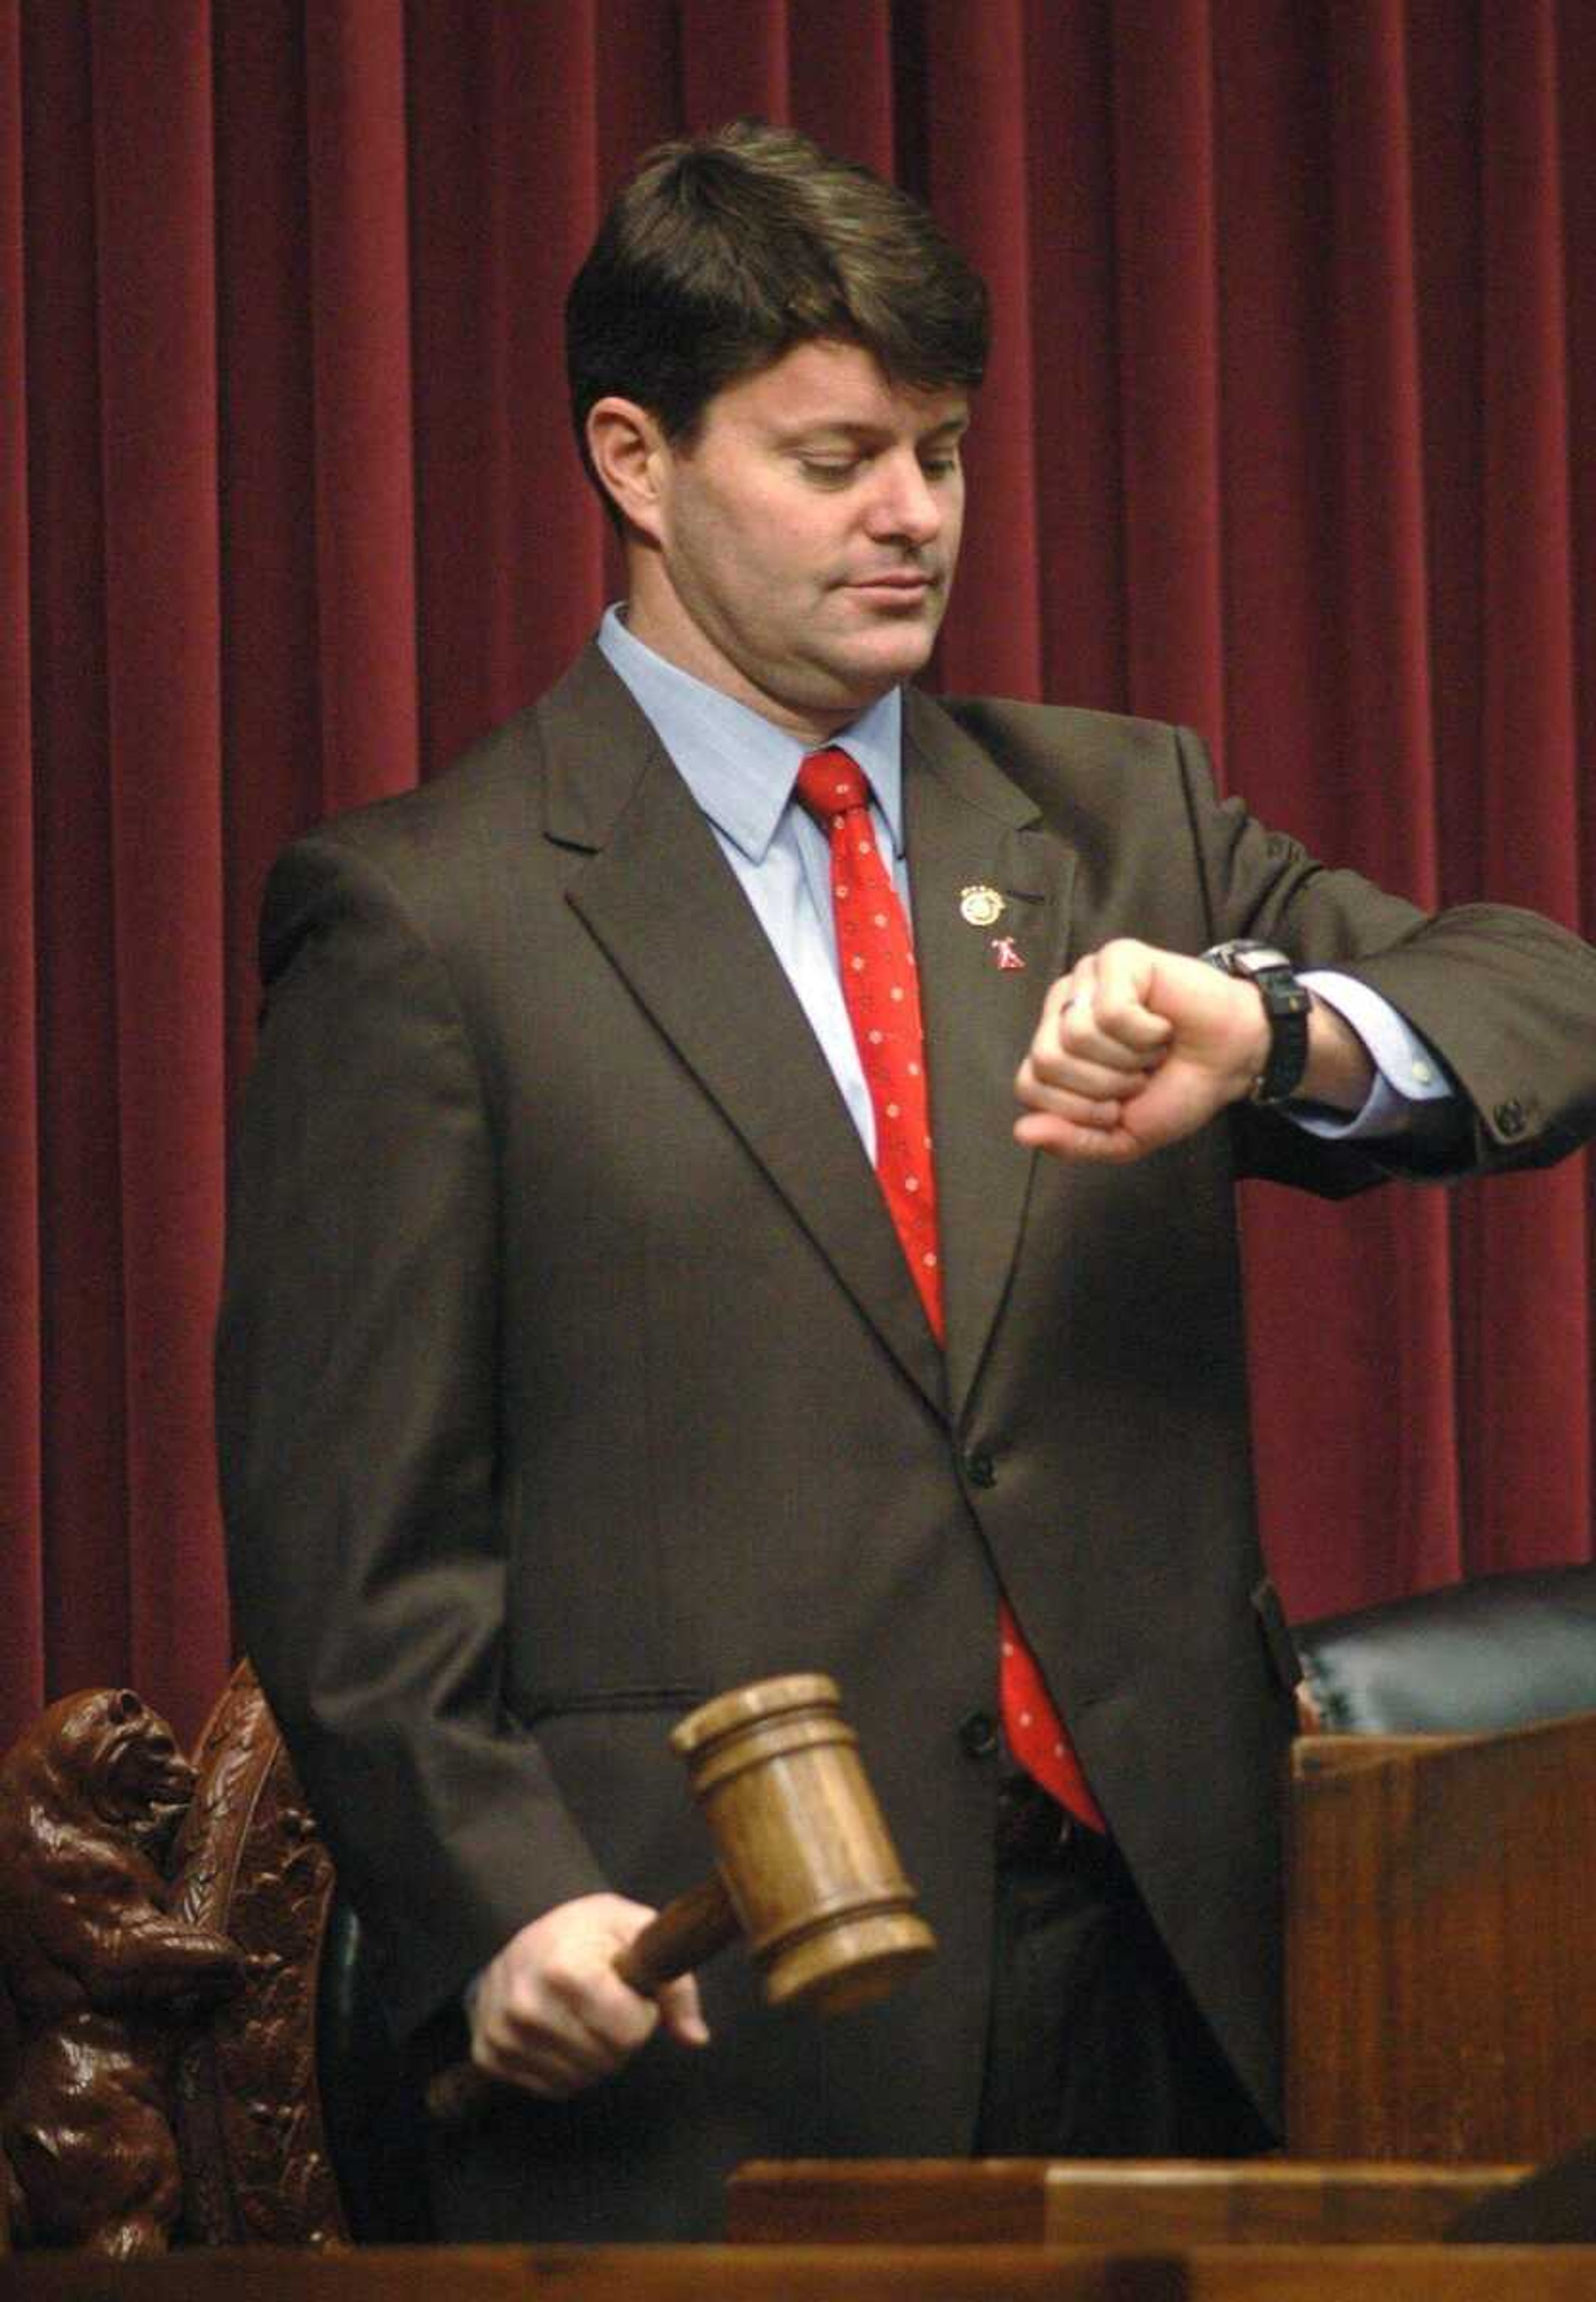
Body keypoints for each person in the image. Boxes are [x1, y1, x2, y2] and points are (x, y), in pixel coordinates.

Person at [216, 120, 1596, 2243]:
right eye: (837, 454)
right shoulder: (428, 921)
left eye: (941, 454)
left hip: (1179, 1963)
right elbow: (355, 1546)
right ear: (634, 457)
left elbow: (1544, 1003)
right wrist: (500, 1904)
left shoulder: (1116, 814)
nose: (913, 516)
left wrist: (1276, 1029)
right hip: (729, 2014)